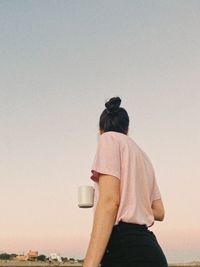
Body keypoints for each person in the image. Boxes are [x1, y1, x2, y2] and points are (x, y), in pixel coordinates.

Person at [83, 96, 168, 267]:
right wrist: (134, 205)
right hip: (151, 250)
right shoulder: (143, 158)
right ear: (127, 129)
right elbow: (160, 212)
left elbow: (109, 202)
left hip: (124, 248)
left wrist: (89, 264)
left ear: (100, 130)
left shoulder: (108, 139)